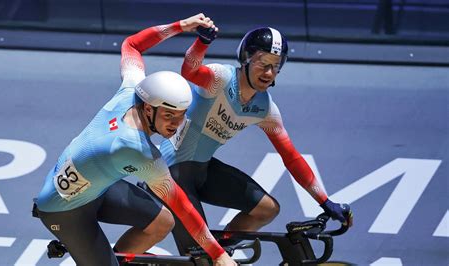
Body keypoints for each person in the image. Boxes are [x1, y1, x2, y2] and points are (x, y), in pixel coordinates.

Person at [33, 14, 236, 266]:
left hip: (97, 187)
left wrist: (180, 26)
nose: (175, 124)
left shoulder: (132, 89)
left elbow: (132, 45)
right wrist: (219, 255)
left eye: (181, 116)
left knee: (163, 222)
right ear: (149, 109)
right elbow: (182, 205)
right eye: (169, 115)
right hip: (64, 210)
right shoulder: (135, 151)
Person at [159, 18, 354, 254]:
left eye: (276, 65)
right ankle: (210, 255)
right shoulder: (220, 79)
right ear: (246, 59)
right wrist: (202, 43)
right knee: (203, 257)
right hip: (170, 173)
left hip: (202, 171)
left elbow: (291, 158)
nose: (269, 72)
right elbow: (189, 70)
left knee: (267, 209)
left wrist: (324, 201)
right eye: (263, 63)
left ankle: (222, 249)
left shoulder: (265, 109)